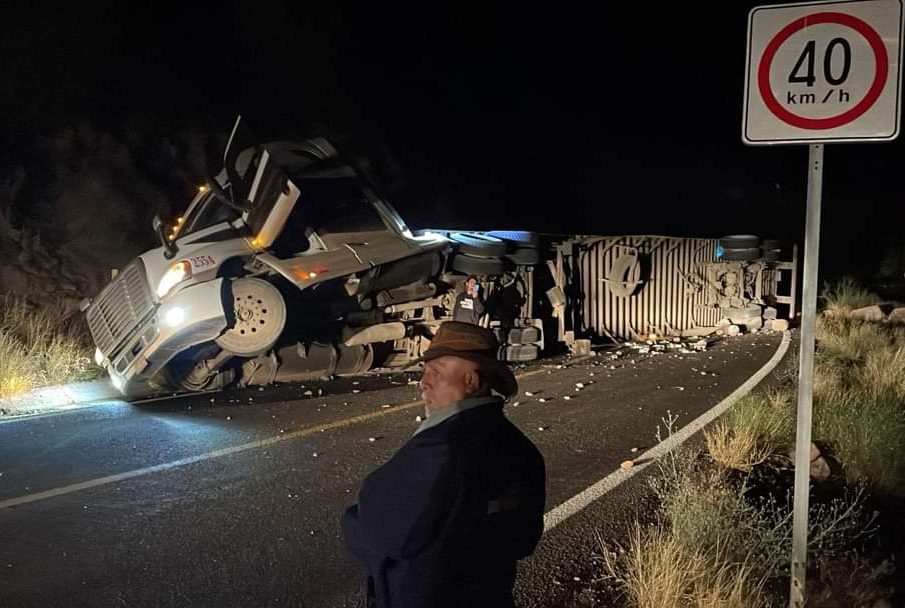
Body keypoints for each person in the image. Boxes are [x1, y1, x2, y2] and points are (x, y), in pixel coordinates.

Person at [341, 321, 546, 608]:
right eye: (425, 372)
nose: (423, 383)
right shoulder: (522, 450)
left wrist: (351, 518)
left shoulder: (442, 448)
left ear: (471, 382)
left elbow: (378, 533)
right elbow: (524, 539)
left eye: (436, 372)